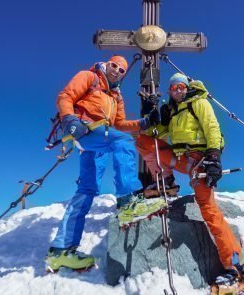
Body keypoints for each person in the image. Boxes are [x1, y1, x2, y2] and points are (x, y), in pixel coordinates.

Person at [46, 55, 161, 272]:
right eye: (114, 65)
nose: (116, 70)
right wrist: (69, 119)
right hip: (84, 129)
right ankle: (127, 201)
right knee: (125, 142)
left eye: (121, 70)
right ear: (106, 65)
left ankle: (61, 251)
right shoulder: (89, 77)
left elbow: (119, 123)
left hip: (99, 138)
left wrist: (143, 123)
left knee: (87, 189)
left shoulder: (116, 96)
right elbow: (66, 95)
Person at [135, 73, 244, 289]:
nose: (178, 91)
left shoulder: (198, 103)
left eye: (181, 87)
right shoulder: (172, 111)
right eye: (173, 88)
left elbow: (212, 128)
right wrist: (152, 115)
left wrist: (214, 157)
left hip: (200, 163)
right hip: (182, 161)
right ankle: (167, 182)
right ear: (169, 92)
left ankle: (235, 267)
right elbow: (154, 134)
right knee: (143, 141)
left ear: (186, 88)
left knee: (209, 209)